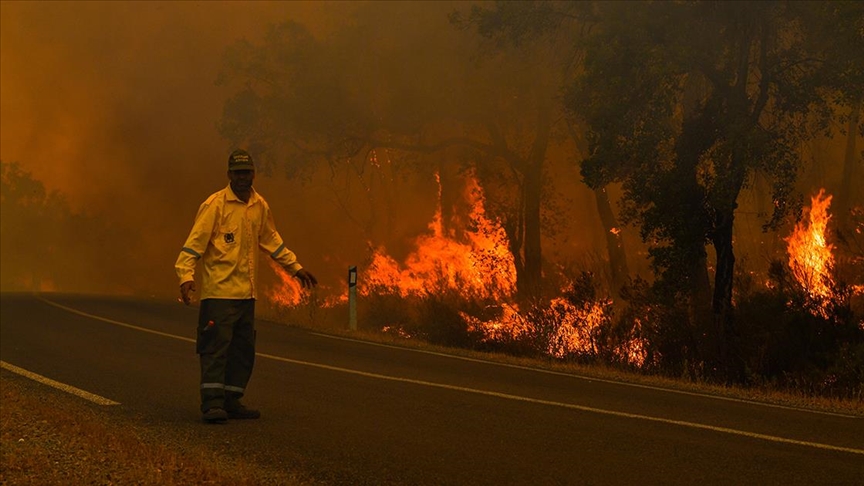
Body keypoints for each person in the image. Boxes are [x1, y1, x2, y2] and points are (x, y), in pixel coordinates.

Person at [175, 149, 317, 423]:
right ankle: (212, 404)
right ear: (229, 175)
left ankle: (232, 400)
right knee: (215, 350)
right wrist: (186, 276)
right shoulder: (214, 205)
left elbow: (272, 241)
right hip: (219, 294)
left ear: (254, 174)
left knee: (242, 351)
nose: (243, 178)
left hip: (246, 295)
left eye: (247, 172)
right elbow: (193, 245)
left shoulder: (259, 205)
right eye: (238, 173)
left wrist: (296, 268)